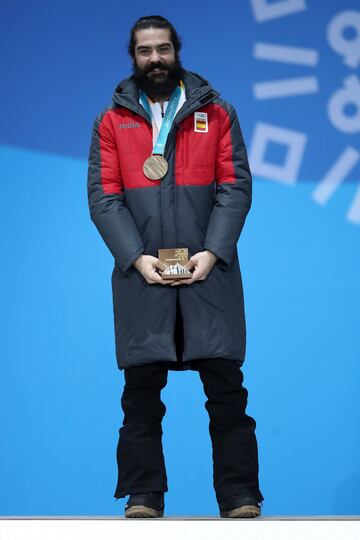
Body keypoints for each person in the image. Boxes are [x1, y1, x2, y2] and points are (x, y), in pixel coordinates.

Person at [87, 15, 264, 518]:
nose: (155, 59)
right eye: (145, 51)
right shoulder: (110, 121)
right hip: (142, 277)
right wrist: (135, 259)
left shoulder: (217, 112)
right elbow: (104, 197)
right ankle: (144, 496)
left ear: (176, 50)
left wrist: (213, 253)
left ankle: (240, 497)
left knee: (227, 394)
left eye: (163, 49)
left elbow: (235, 187)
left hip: (211, 274)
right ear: (133, 56)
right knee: (140, 397)